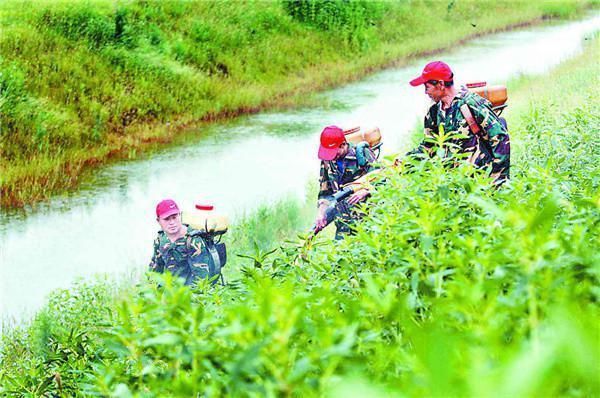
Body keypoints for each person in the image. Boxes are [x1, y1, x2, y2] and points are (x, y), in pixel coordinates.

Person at [407, 61, 510, 185]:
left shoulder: (471, 103)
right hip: (454, 182)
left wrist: (498, 179)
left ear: (440, 84)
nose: (425, 92)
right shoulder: (434, 111)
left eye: (427, 87)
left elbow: (500, 138)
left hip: (479, 181)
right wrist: (406, 161)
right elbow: (429, 145)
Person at [314, 125, 377, 239]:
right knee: (340, 254)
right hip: (343, 224)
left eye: (333, 152)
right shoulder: (328, 160)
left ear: (343, 145)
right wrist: (321, 211)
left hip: (367, 221)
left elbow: (382, 178)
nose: (331, 157)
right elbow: (325, 191)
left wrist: (365, 190)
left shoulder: (362, 154)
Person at [149, 199, 219, 285]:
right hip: (172, 292)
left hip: (190, 293)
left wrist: (184, 297)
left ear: (180, 215)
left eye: (174, 217)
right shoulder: (160, 240)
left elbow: (200, 280)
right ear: (158, 221)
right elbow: (155, 273)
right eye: (167, 219)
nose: (172, 223)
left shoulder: (193, 241)